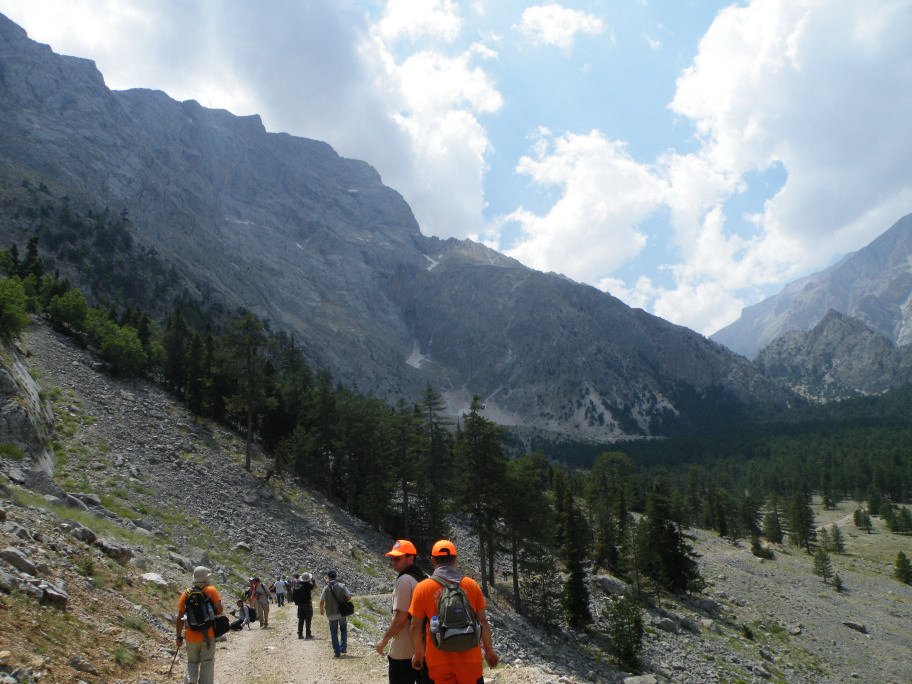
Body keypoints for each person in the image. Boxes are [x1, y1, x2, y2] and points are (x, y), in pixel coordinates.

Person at [409, 540, 499, 684]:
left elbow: (415, 626)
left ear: (433, 560)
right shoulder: (471, 585)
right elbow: (482, 621)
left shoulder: (422, 588)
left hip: (438, 661)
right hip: (470, 661)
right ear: (455, 559)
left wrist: (418, 653)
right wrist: (489, 651)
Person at [376, 539, 427, 684]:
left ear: (410, 558)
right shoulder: (422, 578)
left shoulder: (404, 580)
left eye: (397, 558)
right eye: (392, 559)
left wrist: (384, 640)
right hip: (423, 647)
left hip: (404, 648)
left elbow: (401, 617)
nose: (393, 562)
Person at [176, 566, 224, 684]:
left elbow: (180, 617)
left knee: (192, 662)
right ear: (206, 578)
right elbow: (219, 610)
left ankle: (190, 681)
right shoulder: (211, 590)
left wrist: (178, 636)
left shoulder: (186, 593)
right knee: (207, 662)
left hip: (191, 636)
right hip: (208, 634)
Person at [319, 569, 352, 657]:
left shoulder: (326, 588)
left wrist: (321, 610)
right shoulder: (342, 586)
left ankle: (337, 652)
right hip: (342, 613)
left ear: (328, 578)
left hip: (331, 613)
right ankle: (343, 647)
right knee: (343, 630)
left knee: (334, 633)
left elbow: (321, 601)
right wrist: (343, 601)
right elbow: (349, 597)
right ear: (336, 577)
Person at [293, 571, 317, 639]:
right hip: (307, 604)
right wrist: (313, 581)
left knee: (301, 619)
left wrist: (296, 602)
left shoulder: (297, 584)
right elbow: (315, 587)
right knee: (308, 619)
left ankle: (300, 634)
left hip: (300, 604)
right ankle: (308, 634)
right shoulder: (308, 584)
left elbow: (294, 593)